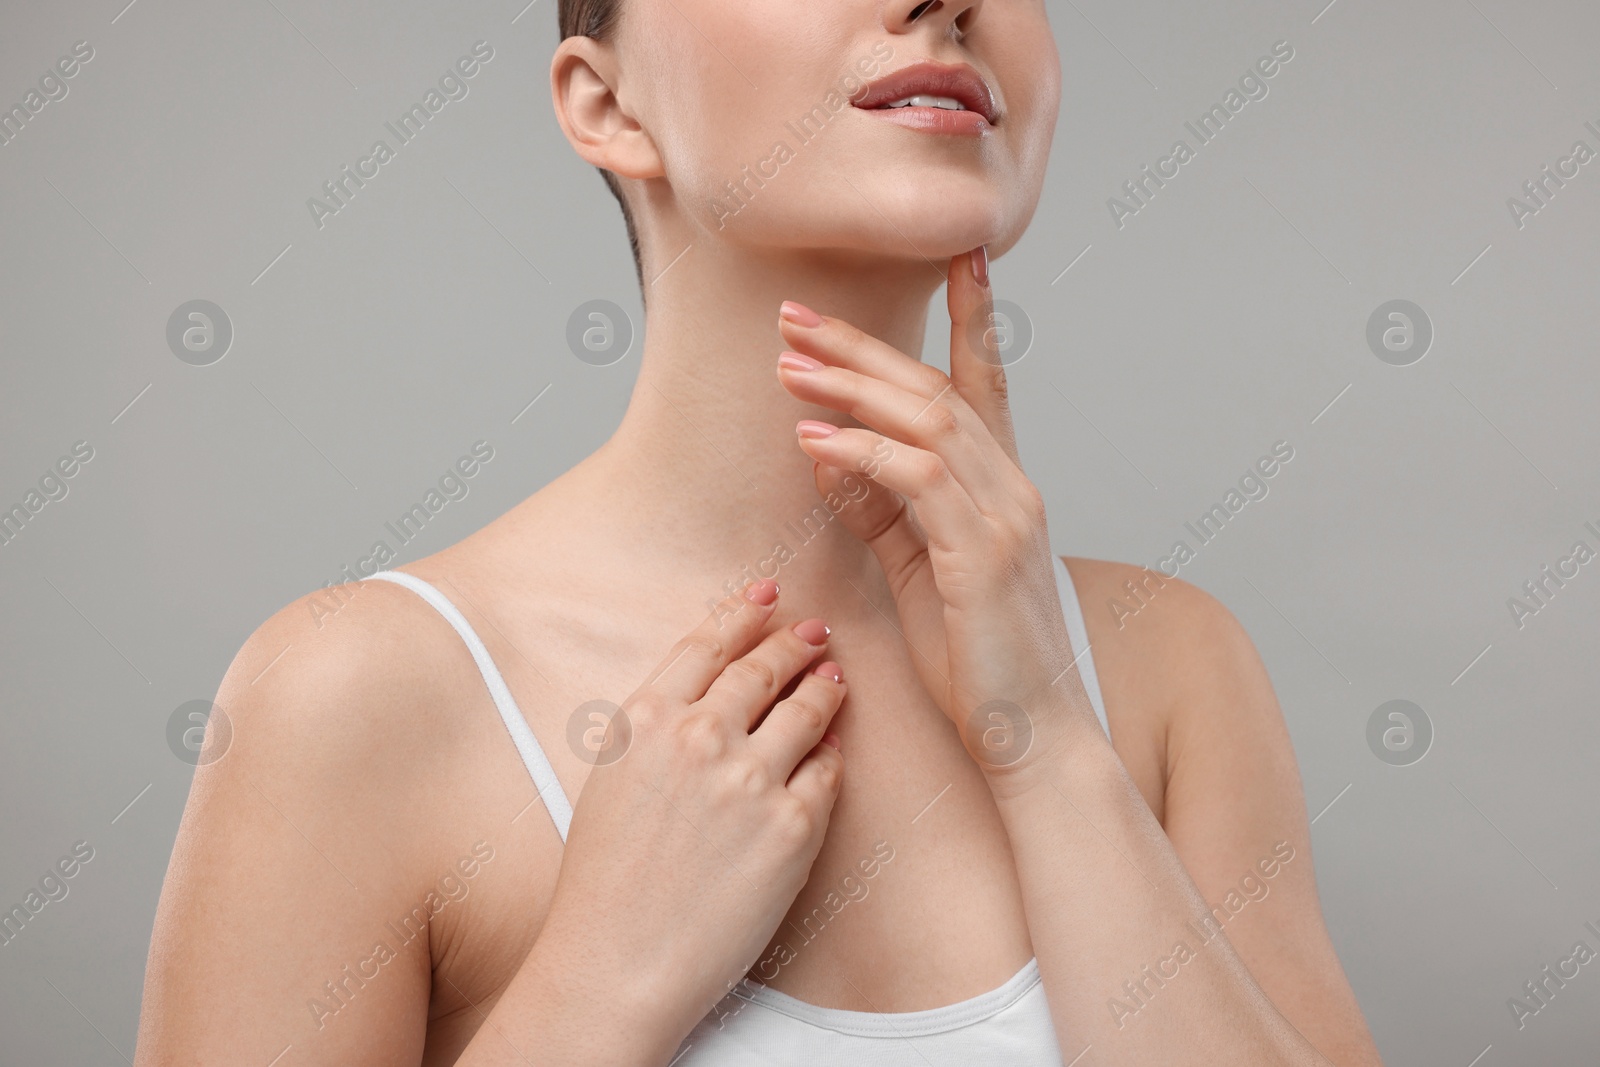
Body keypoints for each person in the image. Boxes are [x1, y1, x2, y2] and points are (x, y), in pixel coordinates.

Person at [135, 1, 1384, 1063]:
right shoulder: (358, 697)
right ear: (605, 106)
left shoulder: (1164, 673)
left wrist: (1050, 752)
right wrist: (595, 983)